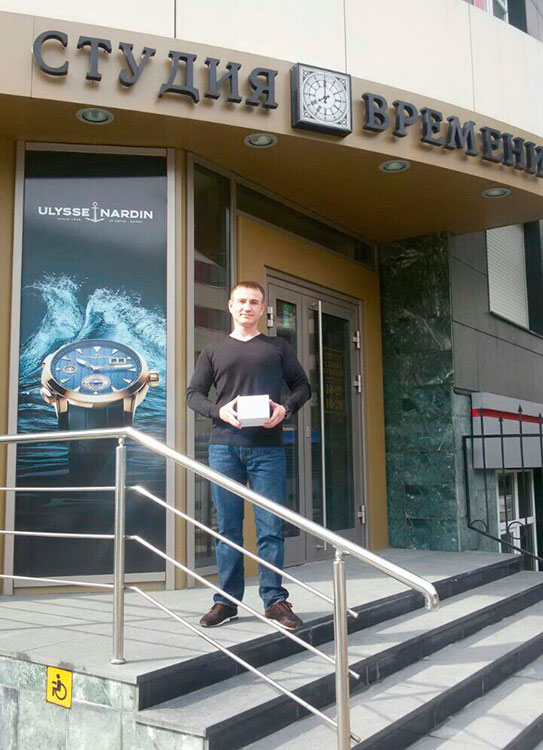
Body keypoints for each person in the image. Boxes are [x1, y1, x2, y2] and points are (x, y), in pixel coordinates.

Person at [186, 281, 311, 630]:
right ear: (230, 305)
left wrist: (285, 409)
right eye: (241, 301)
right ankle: (226, 602)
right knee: (227, 529)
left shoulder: (278, 347)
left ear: (262, 309)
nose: (247, 307)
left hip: (268, 449)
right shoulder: (213, 350)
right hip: (224, 447)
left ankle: (275, 600)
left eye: (254, 302)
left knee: (270, 527)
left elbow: (303, 386)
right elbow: (193, 394)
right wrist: (219, 411)